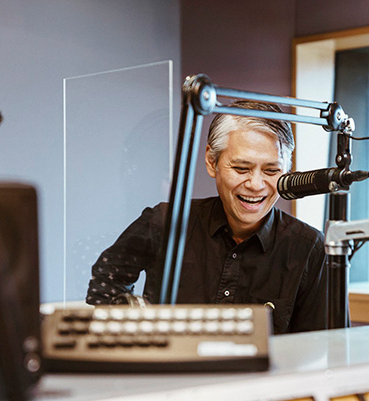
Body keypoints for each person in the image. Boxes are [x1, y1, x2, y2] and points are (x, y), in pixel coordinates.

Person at [86, 100, 327, 334]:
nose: (256, 184)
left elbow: (319, 346)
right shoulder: (165, 221)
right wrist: (133, 329)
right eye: (241, 168)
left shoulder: (309, 248)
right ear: (212, 161)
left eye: (271, 170)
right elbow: (106, 278)